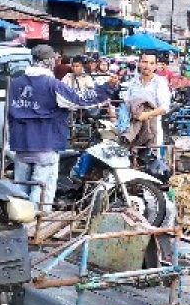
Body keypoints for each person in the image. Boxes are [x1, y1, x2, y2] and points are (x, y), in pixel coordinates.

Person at [8, 45, 117, 209]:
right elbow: (79, 100)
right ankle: (36, 223)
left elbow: (9, 113)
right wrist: (106, 88)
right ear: (49, 61)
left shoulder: (15, 84)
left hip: (20, 144)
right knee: (41, 188)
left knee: (20, 187)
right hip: (45, 144)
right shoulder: (52, 85)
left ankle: (19, 220)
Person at [125, 52, 172, 148]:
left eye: (151, 63)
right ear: (139, 63)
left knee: (151, 158)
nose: (147, 66)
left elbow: (164, 107)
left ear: (155, 66)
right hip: (133, 127)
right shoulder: (133, 82)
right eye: (144, 62)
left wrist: (147, 115)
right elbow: (127, 103)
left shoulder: (160, 83)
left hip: (153, 128)